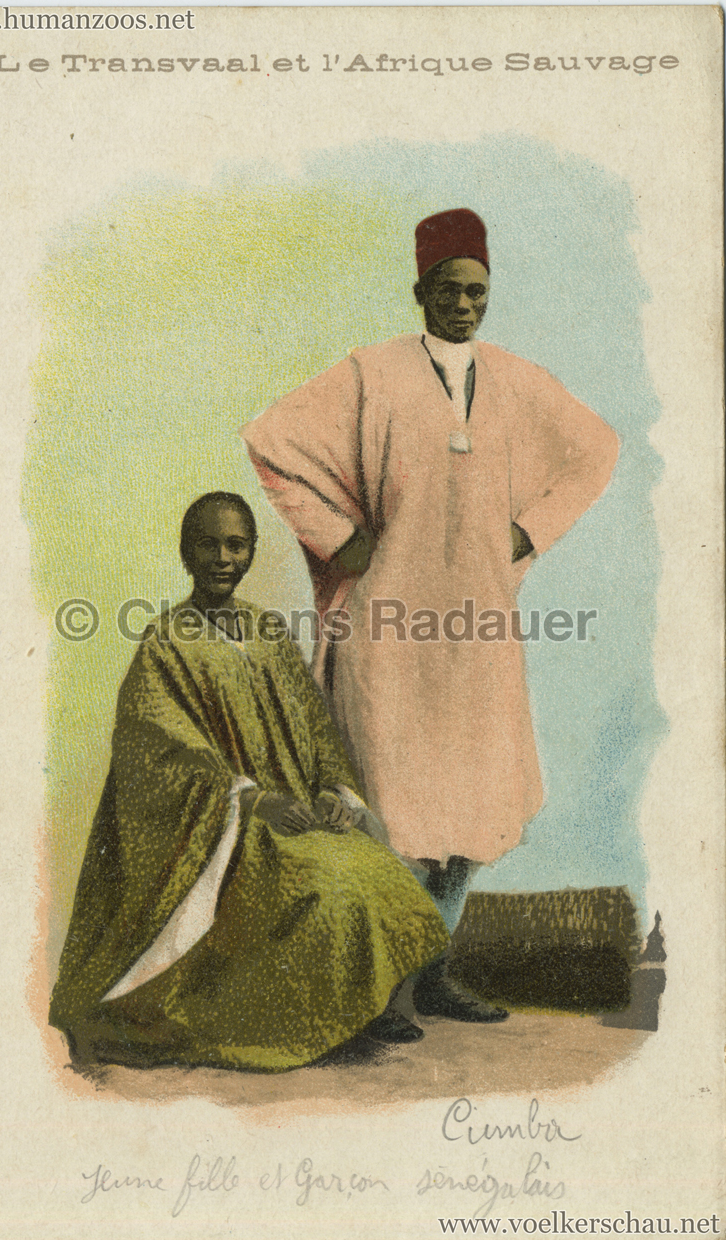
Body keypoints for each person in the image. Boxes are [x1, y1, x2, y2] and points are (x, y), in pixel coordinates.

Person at [240, 209, 621, 1023]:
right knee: (388, 809)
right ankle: (376, 991)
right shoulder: (369, 374)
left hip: (478, 631)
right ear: (420, 291)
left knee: (474, 806)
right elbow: (271, 440)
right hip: (386, 628)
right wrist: (340, 539)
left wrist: (528, 530)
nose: (464, 304)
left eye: (477, 291)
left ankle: (433, 975)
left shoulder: (514, 380)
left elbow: (596, 448)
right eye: (448, 289)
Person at [49, 492, 449, 1070]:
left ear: (252, 552)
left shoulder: (268, 632)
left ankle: (358, 1005)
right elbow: (157, 753)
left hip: (298, 816)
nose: (222, 558)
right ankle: (312, 1018)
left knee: (374, 866)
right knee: (322, 882)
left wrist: (333, 793)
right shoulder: (166, 643)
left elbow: (315, 728)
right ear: (186, 552)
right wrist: (253, 801)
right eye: (207, 544)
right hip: (226, 833)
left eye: (236, 545)